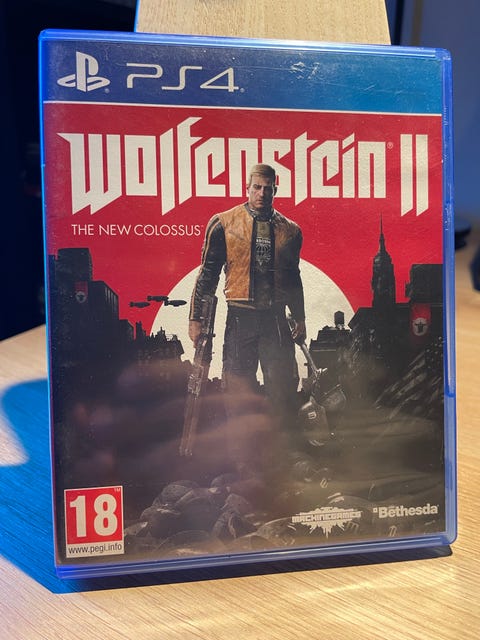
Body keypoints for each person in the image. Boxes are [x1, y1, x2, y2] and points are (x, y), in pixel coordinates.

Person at [189, 164, 306, 461]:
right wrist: (195, 319)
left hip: (276, 319)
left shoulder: (290, 231)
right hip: (240, 317)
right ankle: (243, 460)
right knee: (238, 389)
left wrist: (301, 317)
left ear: (275, 190)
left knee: (281, 388)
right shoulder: (224, 223)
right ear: (247, 188)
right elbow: (207, 275)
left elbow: (293, 278)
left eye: (268, 188)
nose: (262, 193)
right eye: (257, 187)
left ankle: (282, 459)